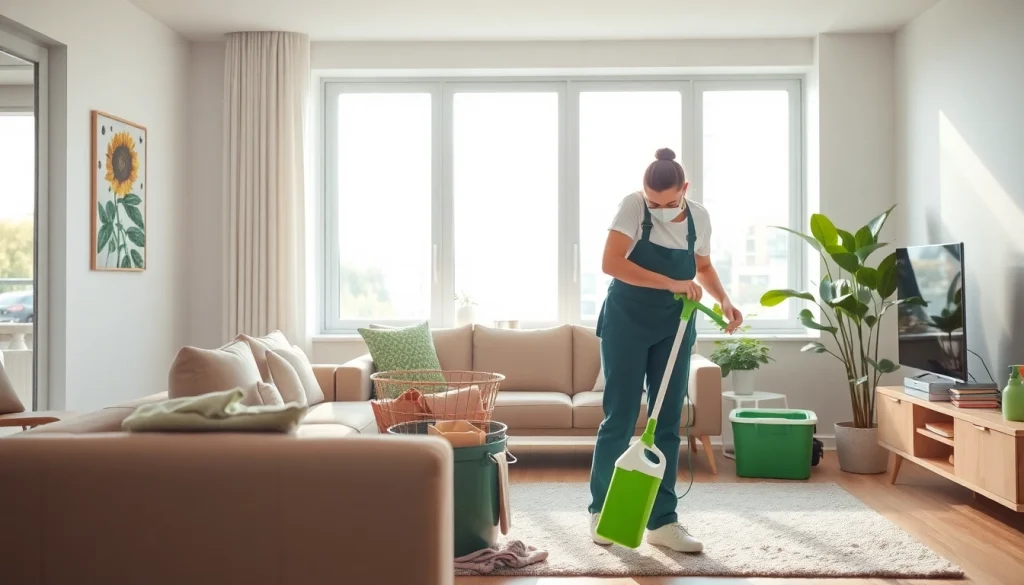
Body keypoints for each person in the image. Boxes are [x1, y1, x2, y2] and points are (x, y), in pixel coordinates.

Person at [588, 148, 741, 553]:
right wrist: (671, 283)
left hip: (674, 326)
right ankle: (601, 512)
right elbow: (611, 263)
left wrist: (724, 300)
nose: (658, 209)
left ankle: (662, 521)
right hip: (626, 321)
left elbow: (702, 267)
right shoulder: (631, 206)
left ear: (684, 190)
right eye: (652, 201)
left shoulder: (699, 217)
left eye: (668, 202)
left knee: (668, 421)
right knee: (619, 417)